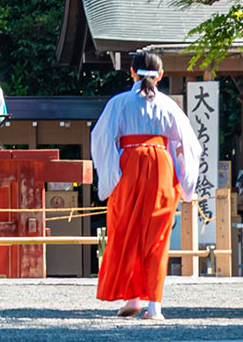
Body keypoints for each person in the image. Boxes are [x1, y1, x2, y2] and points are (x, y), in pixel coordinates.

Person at [90, 52, 200, 321]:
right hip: (160, 166)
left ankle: (132, 297)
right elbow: (188, 144)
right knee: (157, 236)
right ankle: (155, 307)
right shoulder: (169, 105)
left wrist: (110, 174)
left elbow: (101, 138)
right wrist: (186, 183)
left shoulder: (119, 103)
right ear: (160, 75)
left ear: (132, 72)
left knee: (126, 230)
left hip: (128, 163)